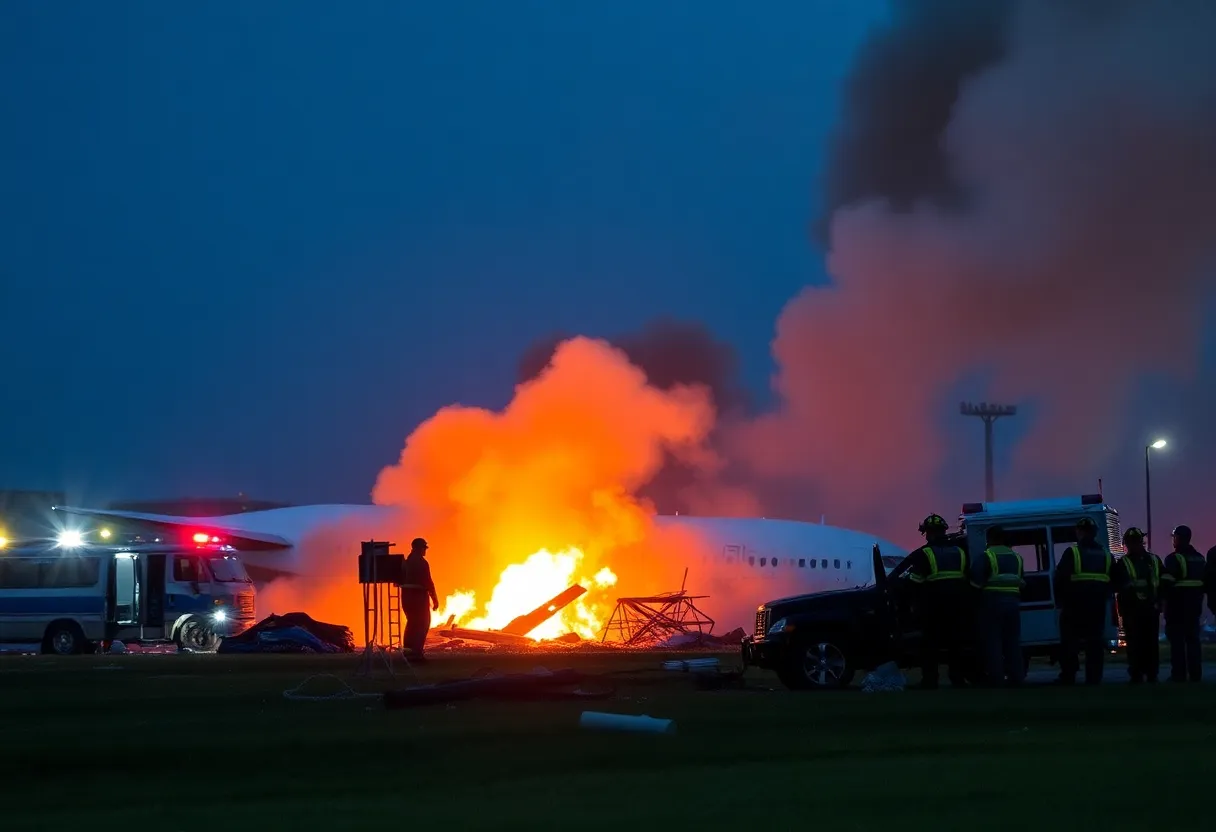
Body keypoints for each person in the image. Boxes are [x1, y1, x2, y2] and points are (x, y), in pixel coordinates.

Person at [904, 513, 971, 689]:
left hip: (933, 609)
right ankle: (958, 679)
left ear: (929, 533)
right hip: (958, 607)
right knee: (955, 645)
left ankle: (930, 680)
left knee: (930, 645)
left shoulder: (924, 554)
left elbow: (915, 582)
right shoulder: (960, 552)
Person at [1053, 516, 1113, 685]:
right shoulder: (1105, 554)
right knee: (1094, 643)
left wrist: (1060, 600)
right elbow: (1114, 579)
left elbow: (1060, 578)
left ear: (1079, 532)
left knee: (1069, 642)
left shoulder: (1073, 552)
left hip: (1074, 605)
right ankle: (1094, 678)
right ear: (1094, 533)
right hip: (1097, 605)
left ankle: (1069, 675)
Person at [969, 525, 1026, 687]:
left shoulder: (987, 557)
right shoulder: (1017, 558)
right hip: (1013, 604)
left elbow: (975, 583)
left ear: (990, 539)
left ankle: (997, 680)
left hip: (992, 604)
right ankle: (1017, 679)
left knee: (994, 643)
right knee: (1013, 643)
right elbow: (1021, 580)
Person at [1111, 527, 1161, 684]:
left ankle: (1137, 674)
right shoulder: (1154, 560)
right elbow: (1164, 581)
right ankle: (1150, 673)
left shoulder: (1123, 563)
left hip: (1133, 611)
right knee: (1150, 643)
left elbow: (1115, 585)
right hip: (1150, 609)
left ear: (1126, 543)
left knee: (1135, 644)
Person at [1160, 525, 1206, 682]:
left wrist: (1163, 604)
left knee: (1177, 642)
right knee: (1193, 641)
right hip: (1195, 606)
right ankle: (1196, 674)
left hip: (1177, 607)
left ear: (1178, 538)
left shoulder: (1173, 559)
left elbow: (1166, 584)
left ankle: (1178, 675)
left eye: (1174, 537)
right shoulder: (1200, 558)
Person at [399, 537, 439, 663]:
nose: (425, 551)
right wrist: (435, 599)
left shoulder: (405, 562)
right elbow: (428, 582)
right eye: (424, 548)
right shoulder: (422, 563)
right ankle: (416, 654)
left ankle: (408, 654)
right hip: (419, 597)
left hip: (406, 597)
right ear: (419, 548)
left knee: (411, 624)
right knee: (422, 624)